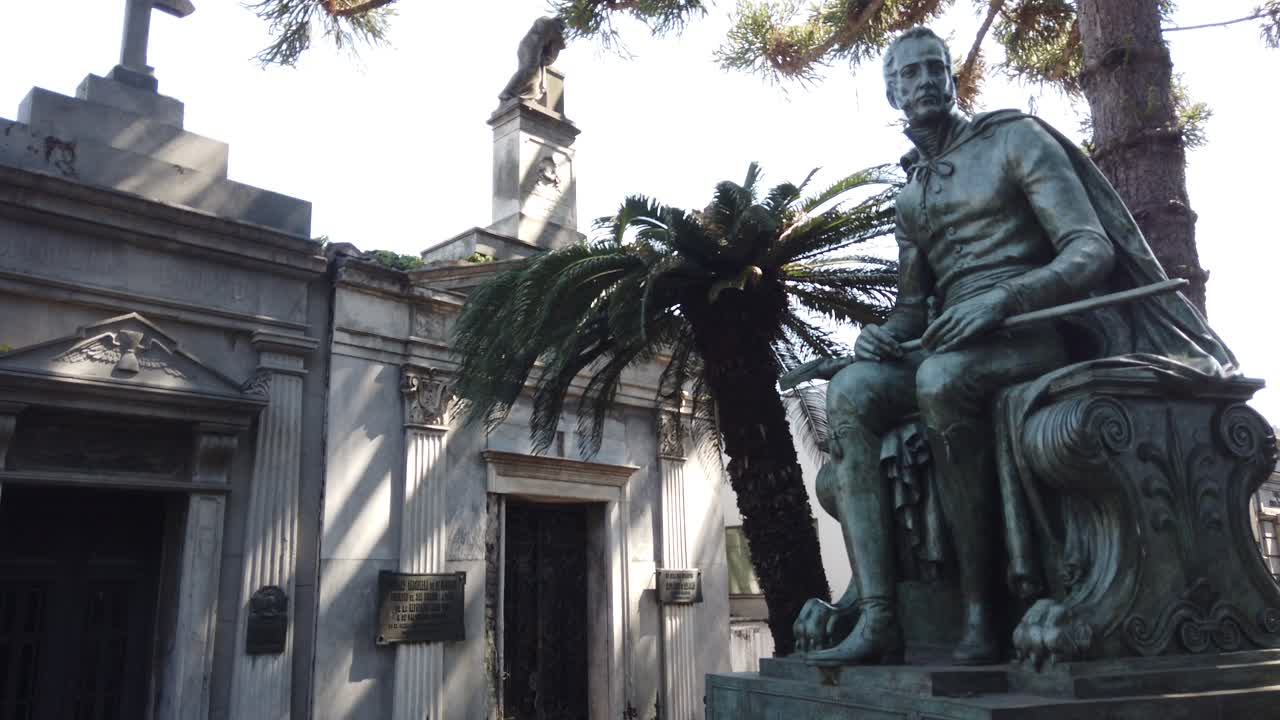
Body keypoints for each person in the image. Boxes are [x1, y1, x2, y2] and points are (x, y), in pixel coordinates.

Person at [789, 25, 1123, 665]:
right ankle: (879, 614)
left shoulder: (1013, 140)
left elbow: (1090, 248)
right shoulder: (911, 196)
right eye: (907, 76)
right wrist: (877, 339)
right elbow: (913, 309)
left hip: (1033, 331)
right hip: (951, 342)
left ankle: (982, 609)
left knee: (941, 382)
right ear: (892, 94)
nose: (922, 83)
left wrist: (1004, 300)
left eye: (932, 68)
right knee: (851, 392)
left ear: (951, 75)